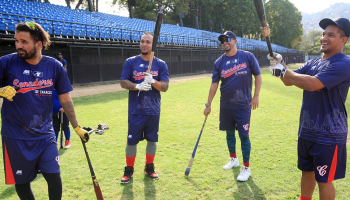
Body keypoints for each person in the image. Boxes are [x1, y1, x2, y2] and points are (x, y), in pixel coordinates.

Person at [0, 21, 89, 200]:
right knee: (22, 183)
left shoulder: (54, 66)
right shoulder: (6, 62)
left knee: (54, 177)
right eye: (16, 41)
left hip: (45, 135)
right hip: (15, 137)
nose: (18, 45)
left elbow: (65, 99)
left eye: (24, 42)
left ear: (38, 44)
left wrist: (77, 127)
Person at [268, 17, 350, 200]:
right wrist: (280, 66)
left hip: (329, 135)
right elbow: (289, 81)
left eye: (331, 34)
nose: (323, 38)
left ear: (343, 39)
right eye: (323, 34)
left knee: (325, 180)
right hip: (307, 131)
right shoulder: (314, 63)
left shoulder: (344, 63)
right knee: (306, 172)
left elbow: (314, 84)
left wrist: (283, 71)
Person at [203, 31, 262, 182]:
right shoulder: (219, 62)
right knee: (229, 134)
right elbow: (214, 84)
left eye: (227, 39)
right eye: (222, 40)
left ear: (235, 41)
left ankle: (246, 167)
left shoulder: (247, 57)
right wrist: (208, 104)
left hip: (243, 105)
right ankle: (233, 159)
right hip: (226, 105)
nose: (224, 42)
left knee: (243, 136)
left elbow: (258, 76)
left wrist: (256, 96)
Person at [119, 32, 169, 184]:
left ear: (152, 45)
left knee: (152, 141)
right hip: (136, 110)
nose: (144, 44)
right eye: (142, 41)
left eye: (148, 42)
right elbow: (123, 82)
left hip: (153, 110)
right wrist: (137, 85)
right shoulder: (131, 62)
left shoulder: (160, 64)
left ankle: (149, 167)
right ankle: (129, 170)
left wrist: (153, 81)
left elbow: (165, 87)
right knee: (131, 141)